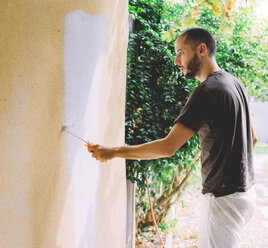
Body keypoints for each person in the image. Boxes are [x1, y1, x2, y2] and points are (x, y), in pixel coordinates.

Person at [87, 27, 258, 248]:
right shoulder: (236, 84)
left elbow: (168, 148)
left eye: (181, 52)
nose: (176, 60)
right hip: (245, 195)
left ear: (201, 49)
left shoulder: (206, 92)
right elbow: (252, 139)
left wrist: (115, 152)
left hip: (223, 199)